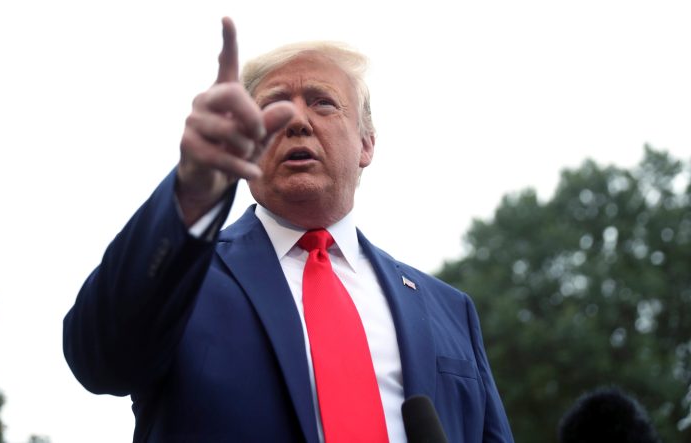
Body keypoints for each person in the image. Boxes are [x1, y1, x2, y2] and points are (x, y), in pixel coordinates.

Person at [63, 17, 514, 443]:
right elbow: (100, 362)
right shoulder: (183, 277)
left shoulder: (450, 309)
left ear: (366, 143)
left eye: (323, 102)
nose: (297, 121)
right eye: (274, 107)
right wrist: (191, 190)